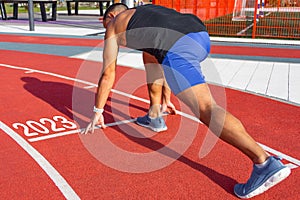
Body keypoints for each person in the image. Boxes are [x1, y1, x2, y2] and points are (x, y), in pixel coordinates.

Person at [84, 3, 291, 199]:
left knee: (207, 108)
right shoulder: (144, 15)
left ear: (110, 17)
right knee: (160, 62)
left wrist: (98, 111)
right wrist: (165, 99)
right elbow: (155, 62)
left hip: (176, 47)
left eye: (105, 26)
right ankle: (155, 115)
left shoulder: (114, 24)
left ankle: (264, 162)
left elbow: (108, 73)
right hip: (199, 35)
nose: (107, 32)